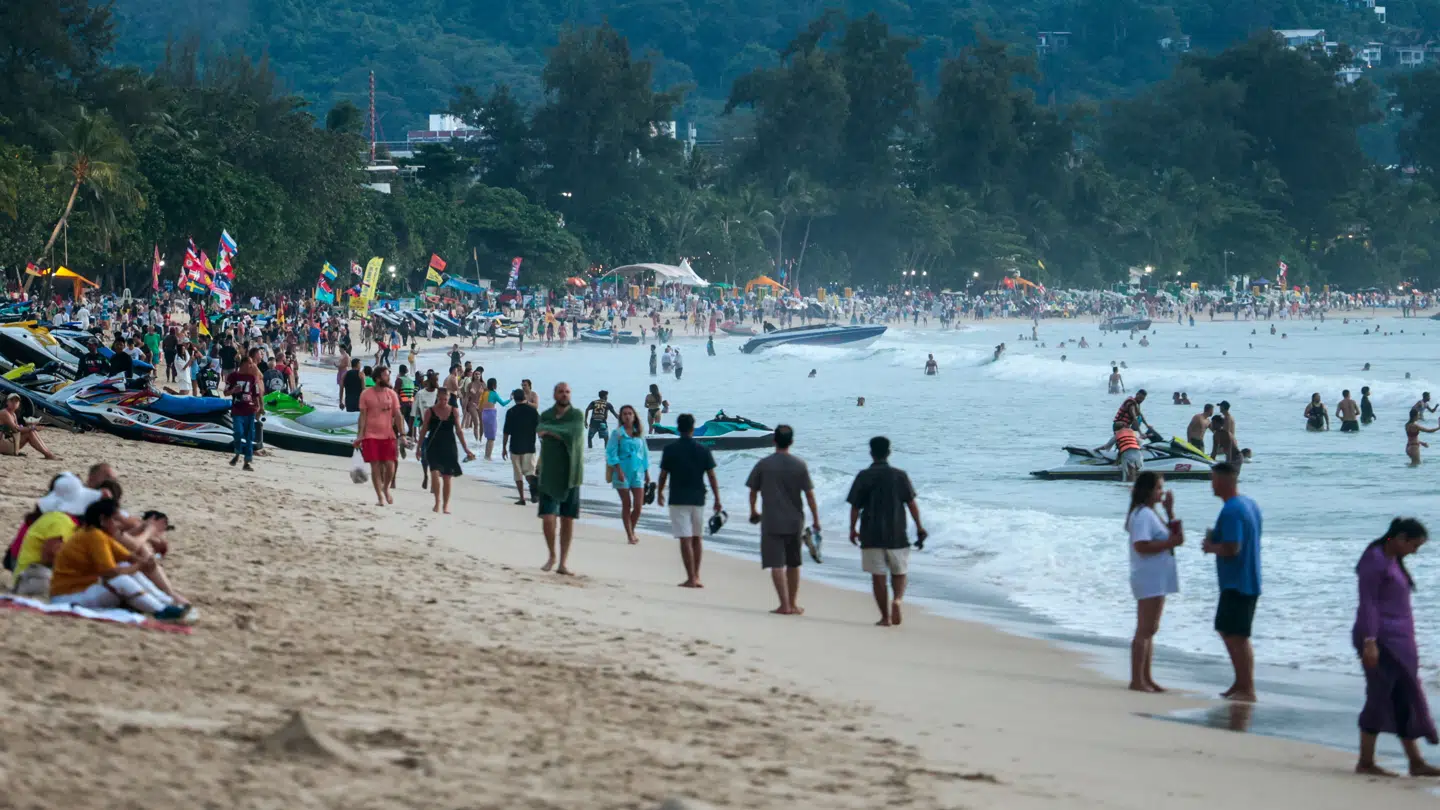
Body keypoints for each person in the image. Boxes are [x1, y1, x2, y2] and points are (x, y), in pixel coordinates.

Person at [1353, 518, 1440, 777]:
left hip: (1399, 641)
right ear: (1400, 538)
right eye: (1414, 545)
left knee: (1404, 697)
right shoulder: (1374, 560)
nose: (1415, 551)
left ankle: (1415, 762)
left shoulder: (1392, 560)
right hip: (1380, 641)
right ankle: (1365, 762)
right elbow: (1368, 603)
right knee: (1379, 697)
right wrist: (1370, 642)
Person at [48, 499, 192, 623]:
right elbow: (109, 572)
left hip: (79, 590)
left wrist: (142, 562)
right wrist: (138, 566)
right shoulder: (94, 536)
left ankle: (165, 602)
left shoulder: (97, 534)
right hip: (66, 597)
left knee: (124, 567)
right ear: (103, 520)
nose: (119, 524)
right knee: (120, 580)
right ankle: (160, 609)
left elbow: (126, 556)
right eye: (115, 519)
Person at [846, 436, 926, 628]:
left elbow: (855, 507)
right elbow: (911, 504)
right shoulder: (900, 475)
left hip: (871, 534)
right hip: (897, 532)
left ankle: (885, 617)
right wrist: (919, 526)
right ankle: (897, 599)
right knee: (899, 572)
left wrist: (852, 529)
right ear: (889, 452)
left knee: (878, 575)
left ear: (871, 453)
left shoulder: (863, 476)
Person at [745, 425, 821, 616]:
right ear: (792, 442)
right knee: (794, 563)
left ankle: (784, 604)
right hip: (795, 521)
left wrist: (753, 510)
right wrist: (816, 519)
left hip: (771, 520)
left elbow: (753, 491)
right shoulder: (799, 464)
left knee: (776, 563)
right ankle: (793, 604)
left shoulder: (764, 464)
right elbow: (810, 496)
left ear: (774, 441)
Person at [1203, 462, 1262, 703]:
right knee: (1229, 631)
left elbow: (1233, 548)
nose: (1211, 485)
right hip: (1248, 578)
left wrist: (1210, 547)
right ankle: (1240, 683)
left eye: (1214, 480)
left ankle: (1247, 687)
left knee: (1236, 635)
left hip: (1238, 582)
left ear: (1225, 481)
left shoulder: (1232, 509)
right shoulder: (1250, 504)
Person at [1125, 471, 1182, 692]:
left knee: (1151, 628)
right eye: (1159, 488)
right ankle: (1137, 679)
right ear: (1148, 490)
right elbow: (1141, 545)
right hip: (1148, 576)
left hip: (1156, 576)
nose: (1162, 492)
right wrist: (1167, 544)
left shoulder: (1151, 513)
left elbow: (1177, 537)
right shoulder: (1143, 515)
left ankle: (1146, 677)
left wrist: (1170, 512)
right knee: (1145, 629)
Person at [658, 412, 721, 588]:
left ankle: (691, 577)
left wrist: (659, 493)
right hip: (698, 498)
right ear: (693, 428)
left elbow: (663, 475)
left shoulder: (670, 449)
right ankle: (697, 576)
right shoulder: (703, 450)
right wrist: (717, 499)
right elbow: (712, 476)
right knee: (696, 538)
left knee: (685, 539)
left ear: (678, 428)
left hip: (677, 498)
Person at [536, 382, 585, 574]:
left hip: (572, 473)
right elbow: (540, 429)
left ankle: (563, 562)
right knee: (548, 517)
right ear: (554, 394)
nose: (564, 395)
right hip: (549, 473)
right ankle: (552, 555)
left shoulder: (577, 415)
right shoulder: (546, 414)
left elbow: (574, 433)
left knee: (567, 518)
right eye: (561, 392)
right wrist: (554, 432)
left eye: (567, 392)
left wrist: (552, 432)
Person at [417, 383, 472, 514]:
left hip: (449, 446)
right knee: (435, 473)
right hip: (433, 445)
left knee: (447, 477)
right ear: (437, 398)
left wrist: (466, 449)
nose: (443, 402)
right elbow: (424, 430)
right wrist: (418, 447)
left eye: (446, 399)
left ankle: (445, 506)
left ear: (449, 398)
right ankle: (437, 502)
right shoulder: (430, 411)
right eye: (441, 399)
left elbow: (459, 431)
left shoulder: (454, 411)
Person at [354, 365, 404, 506]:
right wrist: (360, 435)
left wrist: (403, 434)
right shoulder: (366, 394)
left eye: (388, 375)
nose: (388, 378)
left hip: (388, 434)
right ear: (377, 378)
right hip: (370, 435)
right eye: (386, 375)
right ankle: (380, 497)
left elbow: (398, 414)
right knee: (375, 466)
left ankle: (386, 488)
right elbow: (362, 417)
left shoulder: (392, 394)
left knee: (390, 465)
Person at [605, 405, 650, 545]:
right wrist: (618, 470)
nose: (627, 416)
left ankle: (631, 530)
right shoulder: (617, 433)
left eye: (630, 413)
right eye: (624, 414)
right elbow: (611, 453)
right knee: (627, 504)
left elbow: (645, 454)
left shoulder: (639, 434)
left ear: (634, 416)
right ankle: (630, 535)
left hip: (637, 473)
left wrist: (647, 472)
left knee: (638, 506)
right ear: (621, 417)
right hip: (622, 473)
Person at [225, 353, 264, 471]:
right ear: (243, 364)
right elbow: (225, 392)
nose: (252, 366)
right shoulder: (232, 376)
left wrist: (259, 406)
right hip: (237, 409)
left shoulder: (252, 378)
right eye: (250, 363)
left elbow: (256, 394)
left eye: (252, 364)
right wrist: (233, 390)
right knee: (238, 432)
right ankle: (237, 453)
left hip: (250, 410)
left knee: (249, 436)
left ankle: (247, 461)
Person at [503, 388, 540, 505]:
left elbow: (506, 432)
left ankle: (522, 498)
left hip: (515, 447)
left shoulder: (511, 412)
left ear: (514, 398)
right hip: (529, 446)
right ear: (524, 397)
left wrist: (504, 447)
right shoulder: (533, 411)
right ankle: (535, 490)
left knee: (518, 474)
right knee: (529, 472)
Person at [0, 394, 59, 459]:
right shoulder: (4, 413)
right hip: (2, 444)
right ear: (7, 402)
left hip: (6, 442)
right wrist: (32, 428)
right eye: (12, 401)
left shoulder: (13, 414)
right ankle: (48, 454)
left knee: (32, 431)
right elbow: (16, 429)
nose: (14, 403)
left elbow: (16, 431)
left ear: (19, 404)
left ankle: (48, 453)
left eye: (16, 401)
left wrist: (31, 427)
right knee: (30, 432)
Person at [480, 378, 509, 460]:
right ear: (494, 385)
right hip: (490, 415)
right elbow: (503, 404)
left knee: (488, 437)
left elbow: (480, 405)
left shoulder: (484, 393)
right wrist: (511, 398)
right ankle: (488, 457)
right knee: (491, 438)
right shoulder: (494, 394)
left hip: (484, 414)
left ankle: (486, 456)